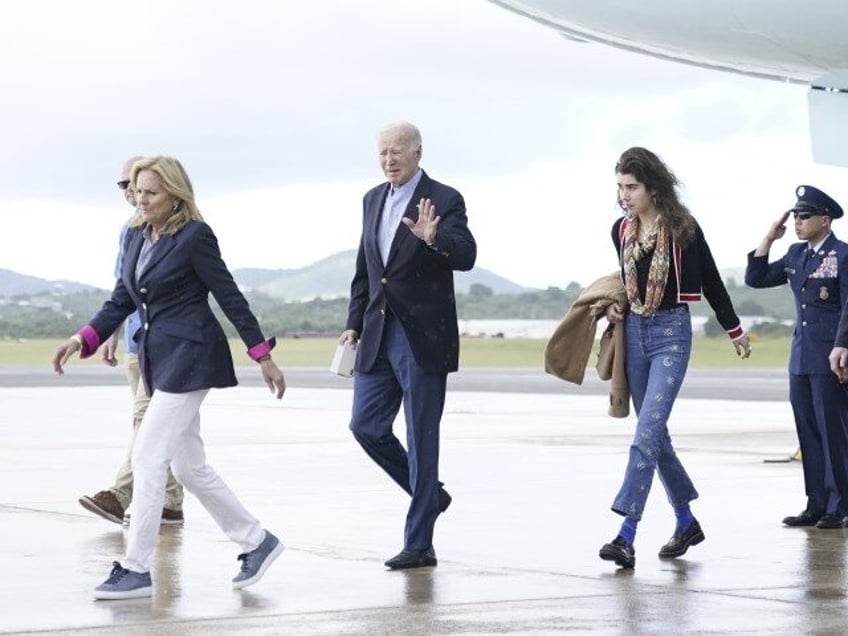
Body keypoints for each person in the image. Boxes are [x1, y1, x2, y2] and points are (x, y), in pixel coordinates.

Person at [52, 156, 286, 600]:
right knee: (189, 467)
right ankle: (256, 541)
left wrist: (262, 356)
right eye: (137, 191)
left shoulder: (195, 237)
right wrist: (81, 338)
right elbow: (122, 297)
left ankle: (136, 568)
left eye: (151, 193)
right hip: (161, 361)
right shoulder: (140, 236)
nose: (141, 200)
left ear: (175, 194)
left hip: (192, 357)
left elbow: (229, 296)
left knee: (147, 457)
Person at [600, 147, 751, 569]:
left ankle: (625, 533)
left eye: (632, 188)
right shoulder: (620, 230)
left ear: (653, 187)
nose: (624, 196)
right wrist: (616, 307)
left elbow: (714, 281)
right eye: (620, 188)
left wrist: (733, 328)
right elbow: (625, 282)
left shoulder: (683, 227)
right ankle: (686, 520)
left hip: (671, 335)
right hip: (635, 334)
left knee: (646, 432)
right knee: (655, 436)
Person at [339, 121, 476, 570]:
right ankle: (429, 495)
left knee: (422, 441)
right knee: (365, 426)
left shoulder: (445, 198)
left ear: (418, 152)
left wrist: (434, 239)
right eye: (382, 152)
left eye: (397, 151)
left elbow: (467, 254)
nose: (389, 159)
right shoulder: (371, 199)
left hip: (421, 338)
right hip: (377, 334)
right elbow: (366, 269)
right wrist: (353, 324)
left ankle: (419, 544)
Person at [78, 155, 185, 526]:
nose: (132, 193)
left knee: (145, 421)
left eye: (139, 186)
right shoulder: (130, 230)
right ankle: (170, 501)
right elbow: (123, 289)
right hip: (134, 344)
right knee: (162, 428)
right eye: (126, 186)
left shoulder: (182, 231)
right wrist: (108, 330)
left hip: (166, 346)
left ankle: (120, 494)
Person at [746, 185, 848, 529]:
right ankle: (816, 502)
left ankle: (840, 504)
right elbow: (755, 278)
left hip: (832, 354)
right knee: (807, 430)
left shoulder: (843, 255)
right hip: (802, 355)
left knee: (832, 430)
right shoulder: (795, 254)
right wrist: (769, 238)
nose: (798, 222)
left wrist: (843, 344)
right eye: (795, 216)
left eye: (804, 216)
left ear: (825, 219)